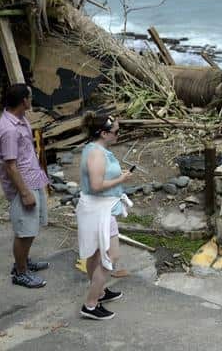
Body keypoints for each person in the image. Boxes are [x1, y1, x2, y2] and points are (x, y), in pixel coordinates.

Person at [0, 83, 50, 288]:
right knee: (25, 230)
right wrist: (24, 193)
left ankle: (23, 262)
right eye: (30, 96)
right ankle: (20, 272)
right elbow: (11, 166)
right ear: (23, 100)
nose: (32, 99)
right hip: (22, 185)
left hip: (32, 179)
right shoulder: (8, 129)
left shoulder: (19, 119)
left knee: (31, 227)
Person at [76, 114, 133, 320]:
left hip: (98, 209)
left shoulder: (95, 149)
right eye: (116, 132)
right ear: (103, 133)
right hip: (99, 210)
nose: (118, 135)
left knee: (96, 254)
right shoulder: (96, 154)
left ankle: (99, 292)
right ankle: (90, 305)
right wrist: (121, 178)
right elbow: (96, 185)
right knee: (111, 255)